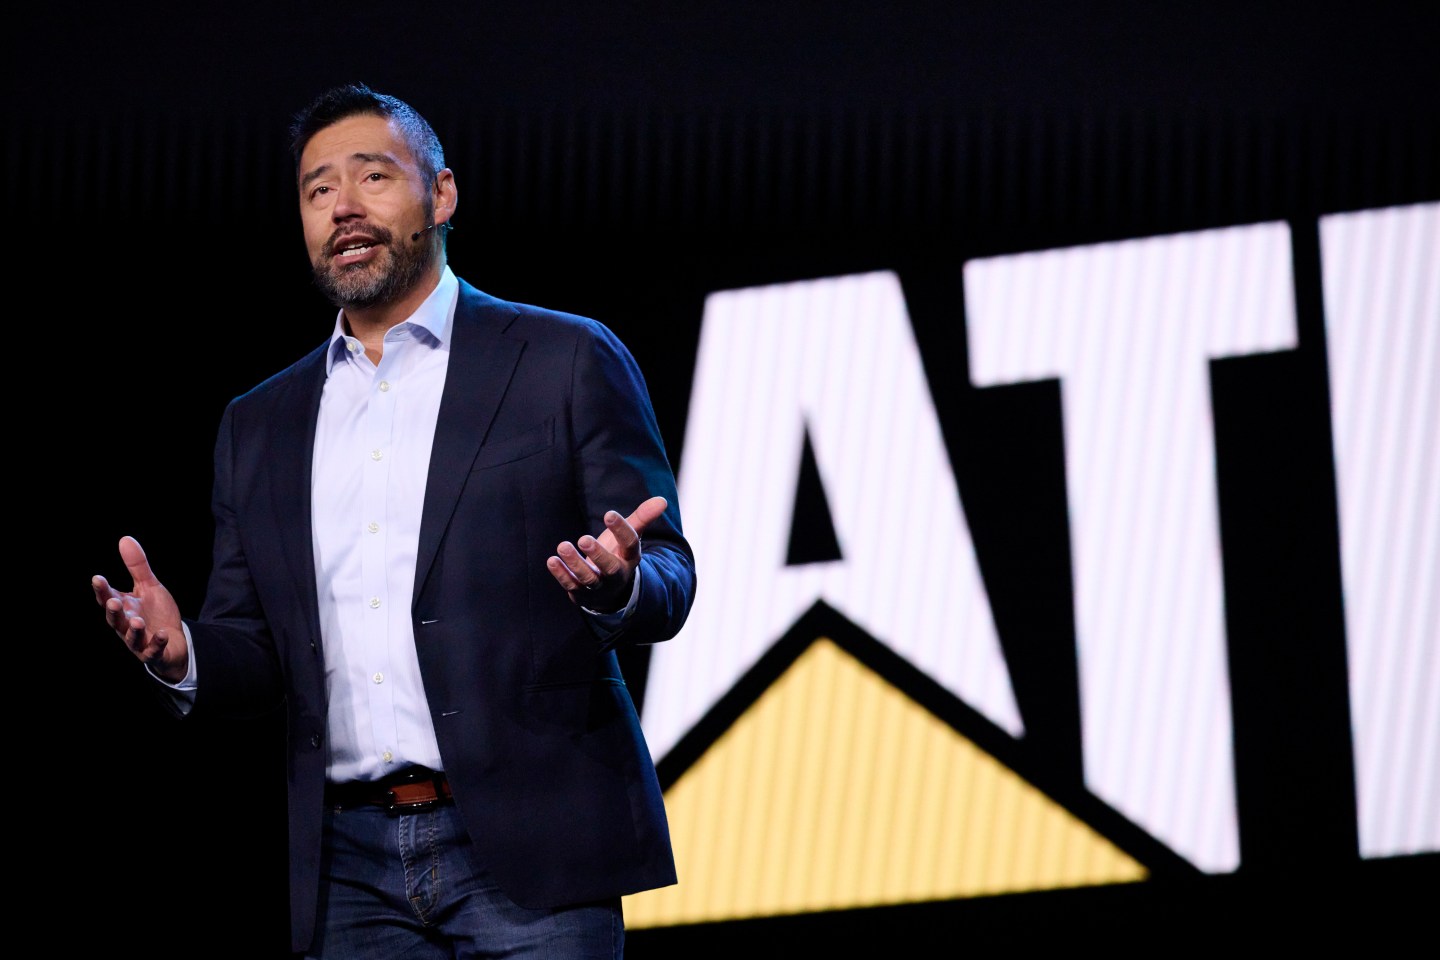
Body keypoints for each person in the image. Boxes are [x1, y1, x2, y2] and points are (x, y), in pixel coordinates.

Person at [91, 82, 696, 959]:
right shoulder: (258, 422)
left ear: (441, 195)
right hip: (347, 870)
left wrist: (622, 580)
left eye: (373, 177)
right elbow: (254, 649)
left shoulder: (563, 357)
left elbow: (668, 571)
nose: (344, 207)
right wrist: (185, 654)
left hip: (535, 850)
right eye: (317, 189)